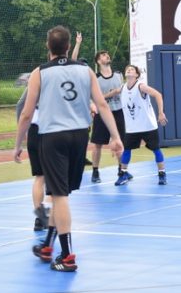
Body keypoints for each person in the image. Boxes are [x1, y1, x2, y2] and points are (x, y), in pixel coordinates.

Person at [14, 25, 123, 272]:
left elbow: (27, 114)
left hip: (53, 136)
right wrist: (115, 136)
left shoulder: (39, 73)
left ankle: (67, 256)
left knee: (59, 196)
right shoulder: (85, 70)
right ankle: (48, 245)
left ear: (47, 46)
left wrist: (18, 144)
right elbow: (102, 106)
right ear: (67, 46)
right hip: (79, 136)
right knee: (58, 194)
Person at [115, 65, 168, 186]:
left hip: (147, 125)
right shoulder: (122, 87)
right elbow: (112, 93)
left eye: (132, 69)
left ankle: (162, 174)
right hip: (132, 127)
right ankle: (123, 174)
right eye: (127, 69)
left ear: (137, 75)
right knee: (127, 150)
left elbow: (158, 95)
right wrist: (98, 99)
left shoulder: (141, 86)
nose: (129, 70)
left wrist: (160, 113)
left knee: (156, 149)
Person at [16, 88, 51, 231]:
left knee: (39, 177)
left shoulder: (36, 77)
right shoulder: (59, 77)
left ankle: (39, 219)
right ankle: (50, 214)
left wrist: (21, 131)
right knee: (55, 178)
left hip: (34, 132)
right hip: (52, 131)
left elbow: (21, 106)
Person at [89, 50, 126, 183]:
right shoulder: (96, 78)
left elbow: (123, 93)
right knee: (98, 144)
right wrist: (112, 93)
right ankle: (95, 171)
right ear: (99, 61)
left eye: (107, 54)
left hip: (118, 111)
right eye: (103, 55)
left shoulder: (118, 75)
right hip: (103, 114)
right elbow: (95, 98)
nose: (107, 56)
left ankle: (122, 170)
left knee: (121, 142)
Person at [70, 31, 93, 167]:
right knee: (73, 134)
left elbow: (90, 96)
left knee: (85, 134)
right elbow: (73, 58)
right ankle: (73, 157)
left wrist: (91, 107)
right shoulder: (73, 73)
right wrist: (78, 43)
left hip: (84, 110)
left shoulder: (88, 79)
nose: (82, 65)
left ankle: (82, 157)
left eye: (85, 64)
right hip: (72, 108)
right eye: (81, 63)